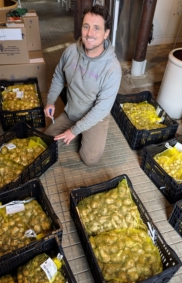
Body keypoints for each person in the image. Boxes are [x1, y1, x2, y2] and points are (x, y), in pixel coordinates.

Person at [44, 4, 122, 167]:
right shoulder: (71, 51)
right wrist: (51, 101)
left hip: (96, 117)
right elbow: (59, 75)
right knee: (46, 140)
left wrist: (73, 131)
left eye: (96, 28)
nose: (89, 34)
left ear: (106, 33)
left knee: (90, 159)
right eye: (86, 26)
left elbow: (101, 108)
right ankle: (78, 129)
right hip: (71, 112)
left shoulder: (112, 69)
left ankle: (83, 131)